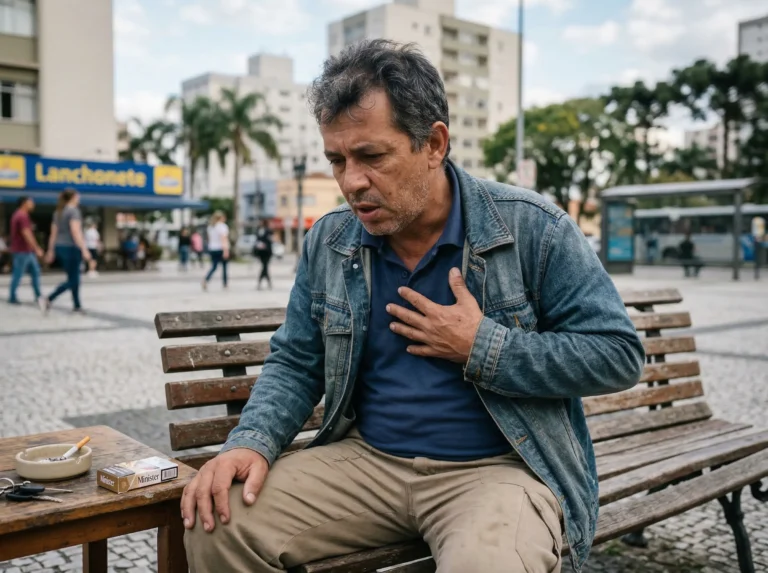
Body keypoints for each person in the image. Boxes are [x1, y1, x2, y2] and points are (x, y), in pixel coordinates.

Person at [181, 40, 645, 573]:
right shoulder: (330, 241)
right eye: (337, 160)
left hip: (498, 472)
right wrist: (253, 442)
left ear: (434, 144)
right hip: (366, 462)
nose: (352, 181)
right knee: (219, 523)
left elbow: (617, 354)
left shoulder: (534, 227)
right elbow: (296, 361)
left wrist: (482, 346)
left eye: (372, 157)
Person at [41, 189, 92, 313]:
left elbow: (53, 233)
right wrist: (84, 249)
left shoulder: (58, 212)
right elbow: (76, 231)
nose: (79, 199)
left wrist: (51, 250)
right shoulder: (74, 211)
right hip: (71, 247)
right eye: (78, 197)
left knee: (73, 277)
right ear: (73, 197)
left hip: (60, 246)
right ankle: (49, 298)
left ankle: (77, 305)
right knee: (74, 279)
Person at [7, 196, 44, 307]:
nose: (33, 204)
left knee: (35, 272)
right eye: (30, 202)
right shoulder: (22, 216)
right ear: (24, 203)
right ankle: (12, 297)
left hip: (26, 250)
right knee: (18, 273)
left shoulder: (18, 215)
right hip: (22, 250)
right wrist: (36, 248)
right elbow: (26, 233)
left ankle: (38, 295)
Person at [202, 211, 229, 291]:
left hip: (212, 248)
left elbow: (209, 239)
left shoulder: (211, 227)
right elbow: (223, 239)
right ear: (220, 218)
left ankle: (206, 279)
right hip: (220, 248)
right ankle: (225, 284)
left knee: (214, 266)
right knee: (224, 267)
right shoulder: (222, 226)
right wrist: (226, 250)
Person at [254, 219, 273, 290]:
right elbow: (257, 240)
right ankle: (268, 282)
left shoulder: (268, 230)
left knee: (265, 266)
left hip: (267, 251)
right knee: (265, 267)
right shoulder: (258, 230)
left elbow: (270, 240)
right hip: (261, 252)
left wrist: (265, 244)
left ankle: (260, 282)